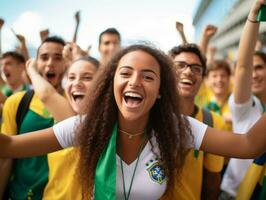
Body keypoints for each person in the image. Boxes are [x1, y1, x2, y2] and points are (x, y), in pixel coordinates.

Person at [0, 44, 265, 200]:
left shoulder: (177, 127)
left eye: (148, 77)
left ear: (161, 90)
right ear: (111, 82)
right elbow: (8, 145)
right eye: (125, 73)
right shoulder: (87, 127)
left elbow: (248, 145)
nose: (135, 82)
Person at [0, 36, 66, 200]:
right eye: (44, 57)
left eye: (58, 58)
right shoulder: (17, 102)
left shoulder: (76, 106)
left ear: (68, 63)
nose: (50, 63)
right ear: (35, 63)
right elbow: (5, 156)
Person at [26, 55, 100, 199]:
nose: (77, 83)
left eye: (87, 78)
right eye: (71, 77)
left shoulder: (96, 125)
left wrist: (32, 70)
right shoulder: (65, 119)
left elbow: (46, 94)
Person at [169, 44, 229, 199]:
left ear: (202, 79)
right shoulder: (147, 116)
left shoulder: (213, 123)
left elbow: (212, 181)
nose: (188, 71)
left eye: (196, 68)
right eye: (180, 65)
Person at [220, 0, 266, 199]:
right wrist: (253, 15)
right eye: (252, 68)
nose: (254, 74)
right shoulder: (244, 106)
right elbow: (243, 68)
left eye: (260, 68)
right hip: (235, 194)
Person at [204, 59, 232, 130]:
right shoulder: (205, 108)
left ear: (229, 79)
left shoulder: (237, 102)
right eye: (214, 76)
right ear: (207, 80)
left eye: (223, 75)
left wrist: (237, 119)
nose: (219, 79)